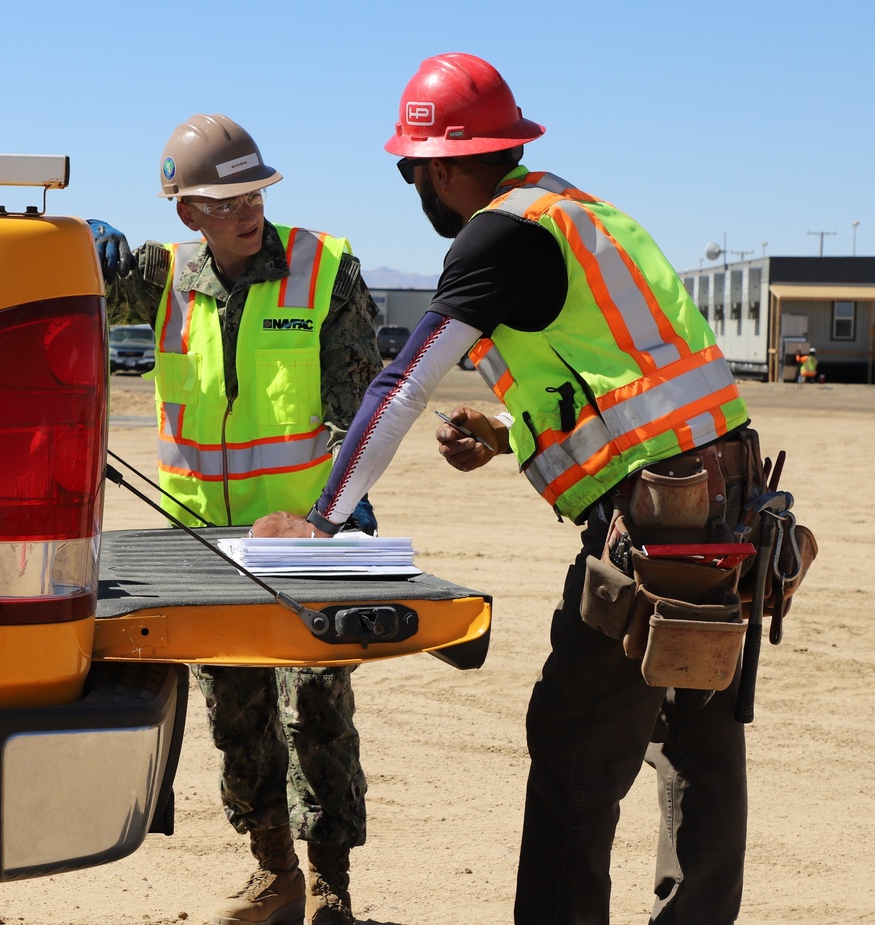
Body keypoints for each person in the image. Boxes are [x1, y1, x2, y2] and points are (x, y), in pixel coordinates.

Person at [252, 54, 765, 924]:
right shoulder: (579, 213)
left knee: (575, 745)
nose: (415, 185)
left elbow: (403, 384)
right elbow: (628, 384)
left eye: (413, 169)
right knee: (700, 738)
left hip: (652, 526)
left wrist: (323, 518)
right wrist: (506, 435)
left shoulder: (496, 234)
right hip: (731, 505)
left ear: (442, 166)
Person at [90, 113, 383, 925]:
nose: (248, 210)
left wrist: (327, 517)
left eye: (254, 192)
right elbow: (70, 267)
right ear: (188, 213)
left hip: (306, 538)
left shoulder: (325, 270)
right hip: (201, 545)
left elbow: (357, 409)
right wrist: (72, 239)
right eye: (226, 201)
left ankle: (331, 886)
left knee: (316, 706)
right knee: (237, 715)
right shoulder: (164, 278)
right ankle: (273, 871)